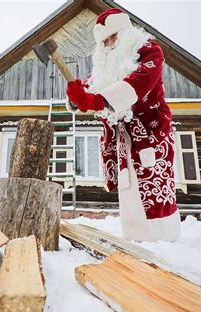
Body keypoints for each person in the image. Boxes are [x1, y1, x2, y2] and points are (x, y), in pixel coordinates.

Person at [66, 8, 180, 241]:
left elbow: (138, 85)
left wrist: (93, 100)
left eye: (113, 36)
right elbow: (90, 93)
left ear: (126, 32)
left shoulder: (150, 52)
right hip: (122, 139)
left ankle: (163, 240)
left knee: (153, 188)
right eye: (104, 41)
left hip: (151, 134)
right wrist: (76, 97)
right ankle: (135, 236)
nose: (109, 43)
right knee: (129, 190)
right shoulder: (105, 69)